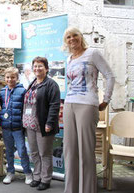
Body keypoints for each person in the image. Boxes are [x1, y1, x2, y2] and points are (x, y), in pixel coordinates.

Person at [62, 27, 115, 193]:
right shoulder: (69, 59)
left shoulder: (92, 53)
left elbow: (110, 76)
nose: (72, 39)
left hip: (87, 104)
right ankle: (70, 189)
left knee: (85, 151)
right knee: (69, 151)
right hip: (70, 104)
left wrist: (105, 100)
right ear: (66, 41)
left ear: (81, 36)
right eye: (68, 37)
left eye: (75, 35)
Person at [23, 57, 60, 191]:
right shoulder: (32, 83)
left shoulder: (51, 84)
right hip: (30, 124)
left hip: (44, 125)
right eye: (35, 66)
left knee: (45, 153)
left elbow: (54, 105)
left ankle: (45, 179)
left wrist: (49, 123)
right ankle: (37, 176)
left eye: (40, 66)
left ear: (46, 68)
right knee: (34, 152)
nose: (37, 68)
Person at [0, 67, 33, 185]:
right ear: (5, 78)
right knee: (8, 151)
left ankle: (28, 173)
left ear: (17, 78)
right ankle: (10, 173)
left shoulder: (22, 91)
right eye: (8, 77)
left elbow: (25, 107)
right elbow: (3, 106)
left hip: (18, 127)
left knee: (22, 150)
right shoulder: (2, 92)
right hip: (6, 127)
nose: (10, 79)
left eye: (12, 77)